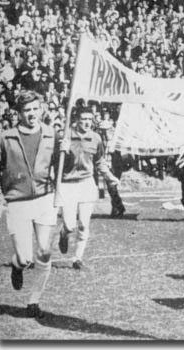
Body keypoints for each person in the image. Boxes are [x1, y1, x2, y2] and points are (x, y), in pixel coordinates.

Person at [0, 90, 67, 318]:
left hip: (45, 199)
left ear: (41, 109)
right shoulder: (4, 138)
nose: (32, 114)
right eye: (26, 110)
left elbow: (63, 166)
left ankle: (34, 300)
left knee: (44, 252)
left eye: (35, 108)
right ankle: (17, 265)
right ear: (18, 113)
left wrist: (67, 151)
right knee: (25, 258)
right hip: (17, 202)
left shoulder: (51, 134)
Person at [57, 107, 120, 269]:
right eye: (83, 119)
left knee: (84, 224)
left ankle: (77, 258)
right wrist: (60, 151)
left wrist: (110, 177)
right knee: (70, 225)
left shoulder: (95, 138)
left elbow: (99, 162)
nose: (86, 122)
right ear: (76, 119)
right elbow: (54, 161)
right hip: (67, 184)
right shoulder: (65, 136)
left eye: (90, 119)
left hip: (86, 183)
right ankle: (63, 234)